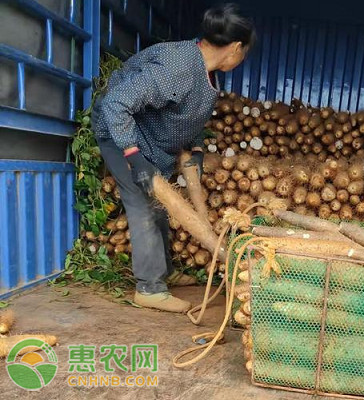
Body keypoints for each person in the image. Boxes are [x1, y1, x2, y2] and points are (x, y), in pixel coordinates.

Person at [92, 4, 255, 312]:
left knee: (161, 206)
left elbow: (183, 113)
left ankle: (162, 272)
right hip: (121, 134)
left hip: (148, 139)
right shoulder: (177, 65)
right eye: (244, 52)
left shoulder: (202, 69)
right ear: (235, 48)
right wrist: (134, 157)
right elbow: (116, 104)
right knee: (143, 204)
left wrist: (194, 147)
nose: (242, 58)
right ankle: (149, 289)